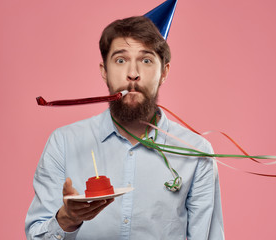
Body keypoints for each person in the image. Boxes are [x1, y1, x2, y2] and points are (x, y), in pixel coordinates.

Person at [25, 14, 224, 240]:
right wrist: (67, 220)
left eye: (146, 60)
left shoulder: (197, 153)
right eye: (120, 60)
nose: (133, 73)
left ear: (164, 72)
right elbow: (36, 236)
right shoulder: (63, 143)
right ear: (104, 71)